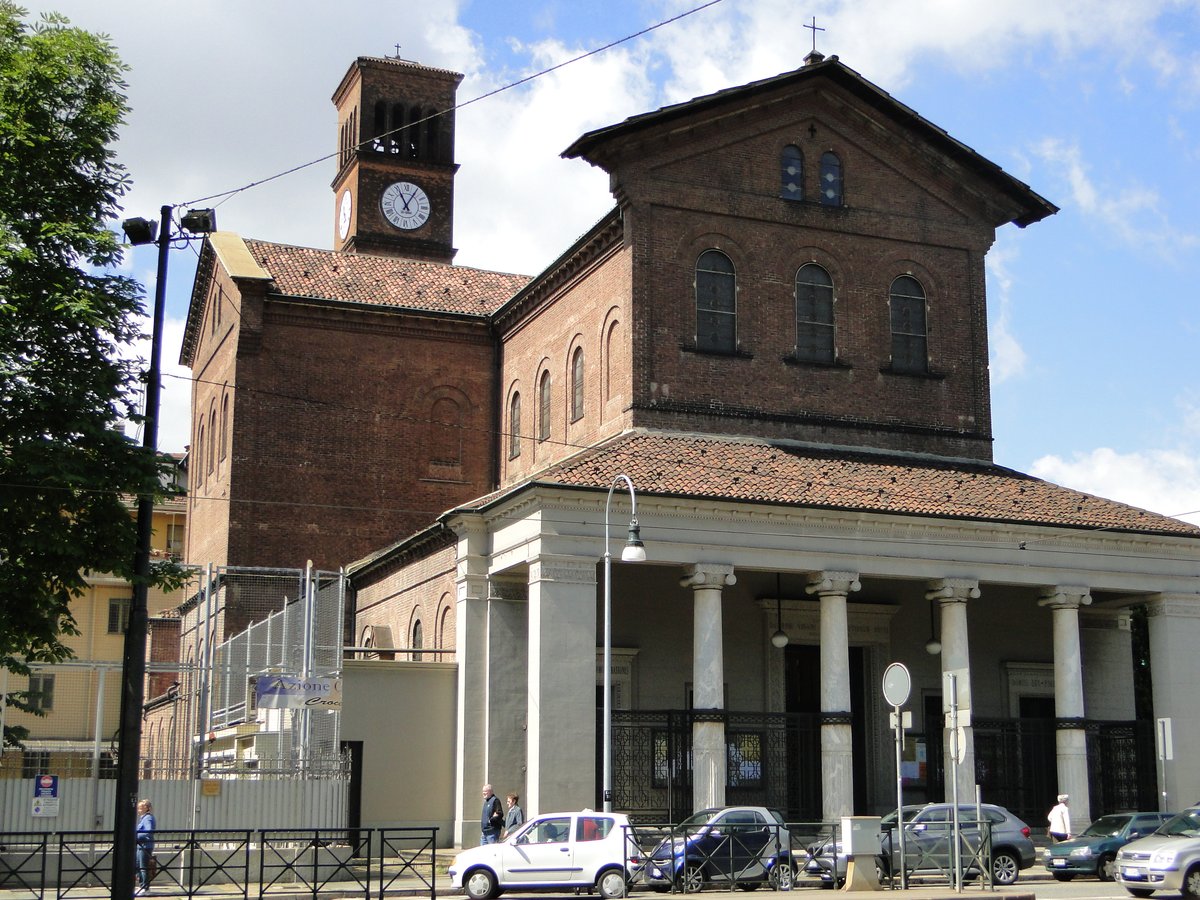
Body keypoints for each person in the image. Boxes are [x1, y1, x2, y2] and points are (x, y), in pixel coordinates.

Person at [135, 798, 157, 894]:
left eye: (140, 808)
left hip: (145, 845)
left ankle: (145, 888)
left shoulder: (148, 818)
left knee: (143, 867)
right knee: (138, 866)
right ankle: (142, 886)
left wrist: (136, 836)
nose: (138, 810)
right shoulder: (143, 818)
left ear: (146, 808)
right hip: (141, 845)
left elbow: (149, 831)